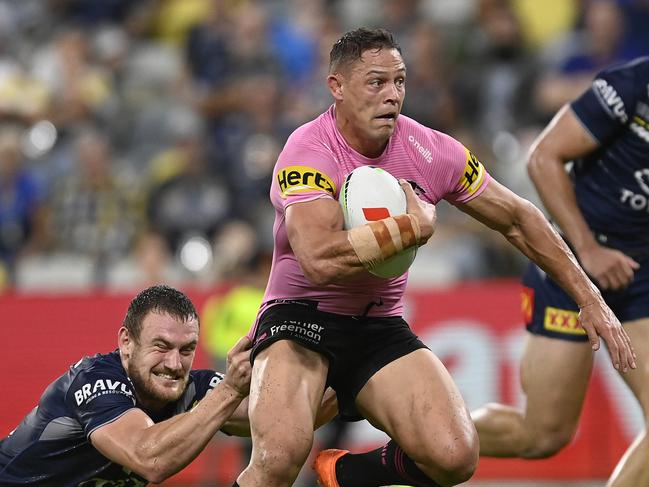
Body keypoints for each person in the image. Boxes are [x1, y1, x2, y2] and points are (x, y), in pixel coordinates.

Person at [234, 28, 635, 487]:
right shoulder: (308, 150)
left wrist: (589, 296)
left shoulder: (429, 149)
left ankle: (345, 473)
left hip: (376, 324)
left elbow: (518, 219)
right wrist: (412, 227)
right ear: (336, 87)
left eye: (400, 82)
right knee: (280, 457)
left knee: (455, 455)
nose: (392, 95)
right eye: (376, 82)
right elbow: (318, 260)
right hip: (300, 319)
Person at [472, 56, 649, 487]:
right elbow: (543, 157)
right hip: (572, 267)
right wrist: (586, 250)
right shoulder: (633, 86)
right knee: (542, 434)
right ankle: (411, 435)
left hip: (637, 276)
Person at [0, 284, 254, 486]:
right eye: (161, 347)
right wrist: (230, 391)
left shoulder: (193, 388)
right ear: (126, 342)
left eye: (187, 350)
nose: (175, 364)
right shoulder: (95, 380)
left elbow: (267, 417)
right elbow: (149, 457)